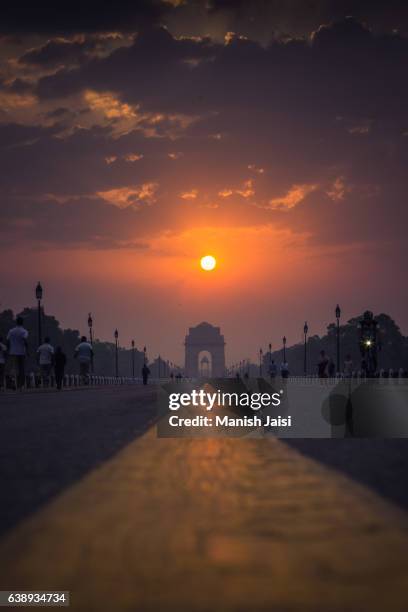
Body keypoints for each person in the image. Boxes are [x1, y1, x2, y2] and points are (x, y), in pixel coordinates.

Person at [7, 316, 28, 390]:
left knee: (13, 368)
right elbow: (25, 340)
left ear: (16, 322)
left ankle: (13, 381)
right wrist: (27, 350)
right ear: (22, 322)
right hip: (21, 352)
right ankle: (21, 385)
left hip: (12, 352)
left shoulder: (11, 331)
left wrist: (8, 350)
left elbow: (8, 341)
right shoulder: (24, 331)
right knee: (21, 369)